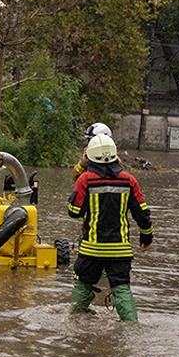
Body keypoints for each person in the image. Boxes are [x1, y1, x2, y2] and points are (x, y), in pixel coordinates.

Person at [67, 134, 152, 321]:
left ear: (90, 157)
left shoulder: (85, 180)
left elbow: (74, 211)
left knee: (83, 283)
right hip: (119, 250)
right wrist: (146, 237)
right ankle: (131, 324)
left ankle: (75, 319)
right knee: (122, 287)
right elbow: (142, 214)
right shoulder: (129, 181)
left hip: (91, 249)